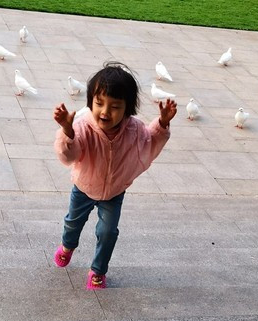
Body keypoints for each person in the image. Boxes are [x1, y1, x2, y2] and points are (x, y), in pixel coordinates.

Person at [52, 62, 177, 289]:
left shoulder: (134, 129)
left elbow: (150, 141)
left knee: (108, 232)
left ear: (127, 108)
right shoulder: (83, 127)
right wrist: (67, 131)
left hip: (114, 192)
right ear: (90, 102)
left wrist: (163, 122)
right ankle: (68, 246)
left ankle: (98, 270)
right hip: (84, 187)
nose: (105, 112)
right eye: (99, 103)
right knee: (72, 223)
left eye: (115, 106)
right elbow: (69, 156)